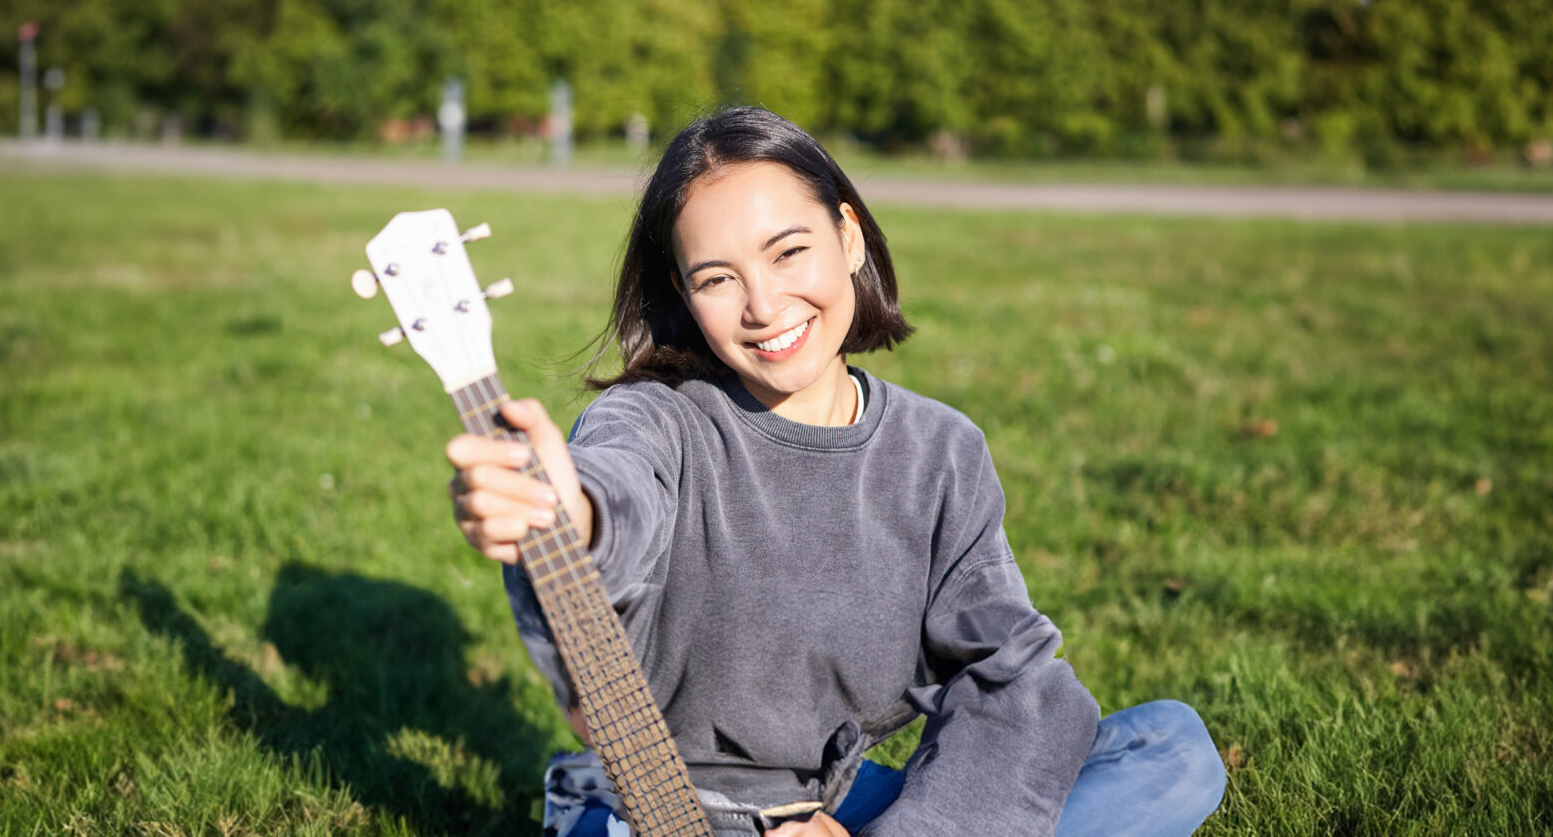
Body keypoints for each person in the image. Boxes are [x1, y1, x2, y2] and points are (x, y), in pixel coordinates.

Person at [445, 107, 1227, 837]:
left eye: (789, 252)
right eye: (717, 277)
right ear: (683, 292)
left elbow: (1008, 674)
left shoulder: (940, 453)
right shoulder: (655, 421)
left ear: (848, 237)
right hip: (667, 807)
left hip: (836, 805)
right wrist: (566, 510)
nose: (763, 305)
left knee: (1170, 748)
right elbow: (613, 492)